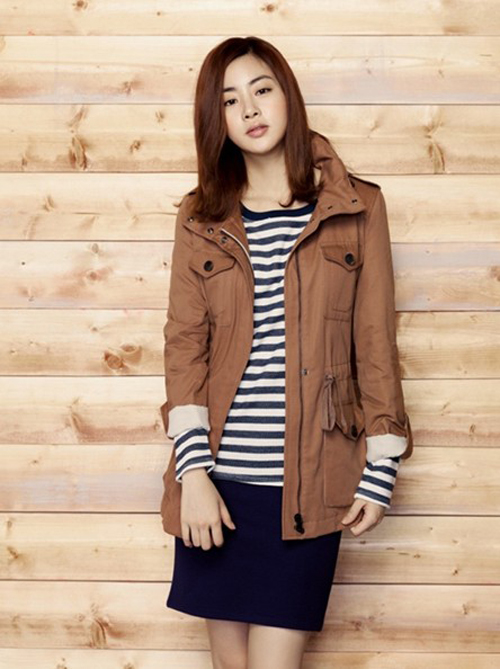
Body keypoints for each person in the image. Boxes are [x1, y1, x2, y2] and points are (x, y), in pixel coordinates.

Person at [159, 36, 414, 669]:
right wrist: (193, 475)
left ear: (287, 96)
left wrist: (381, 467)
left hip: (309, 485)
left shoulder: (357, 207)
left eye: (262, 89)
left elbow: (375, 343)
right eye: (229, 100)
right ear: (215, 119)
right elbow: (185, 349)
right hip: (219, 485)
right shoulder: (200, 218)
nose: (249, 109)